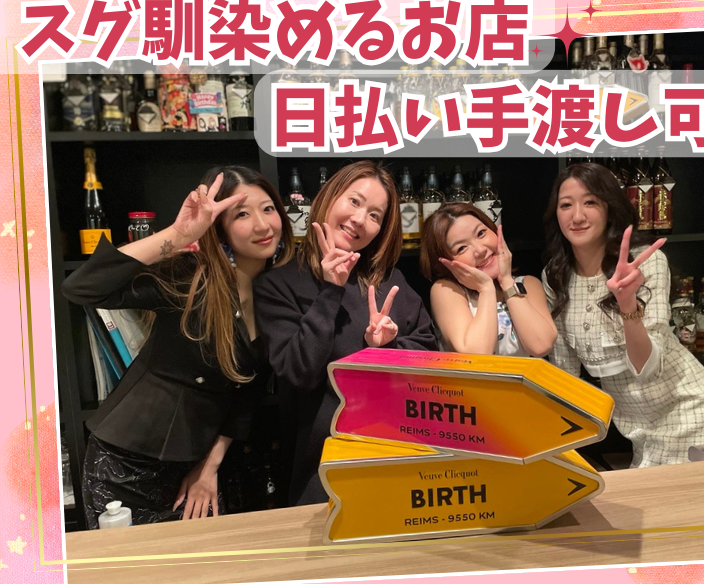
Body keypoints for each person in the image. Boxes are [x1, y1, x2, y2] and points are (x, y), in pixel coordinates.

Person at [62, 166, 294, 527]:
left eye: (268, 209)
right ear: (219, 227)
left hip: (196, 465)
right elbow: (82, 287)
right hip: (126, 463)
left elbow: (247, 393)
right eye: (242, 215)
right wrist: (178, 233)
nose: (263, 225)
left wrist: (209, 467)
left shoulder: (278, 290)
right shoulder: (190, 275)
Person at [254, 160, 438, 506]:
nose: (360, 219)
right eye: (354, 201)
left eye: (375, 215)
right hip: (323, 470)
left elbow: (429, 352)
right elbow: (299, 373)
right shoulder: (278, 284)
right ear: (329, 196)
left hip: (399, 457)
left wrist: (384, 348)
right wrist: (330, 291)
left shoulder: (388, 280)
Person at [541, 162, 704, 468]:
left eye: (590, 202)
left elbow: (648, 368)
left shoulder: (645, 263)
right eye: (566, 205)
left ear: (610, 208)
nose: (577, 216)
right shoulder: (555, 276)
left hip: (690, 410)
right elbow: (566, 373)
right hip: (636, 426)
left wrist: (627, 304)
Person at [420, 203, 557, 357]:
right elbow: (477, 355)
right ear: (445, 263)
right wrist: (486, 289)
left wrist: (506, 281)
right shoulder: (446, 290)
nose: (480, 250)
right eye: (461, 248)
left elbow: (541, 346)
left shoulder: (528, 284)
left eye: (481, 233)